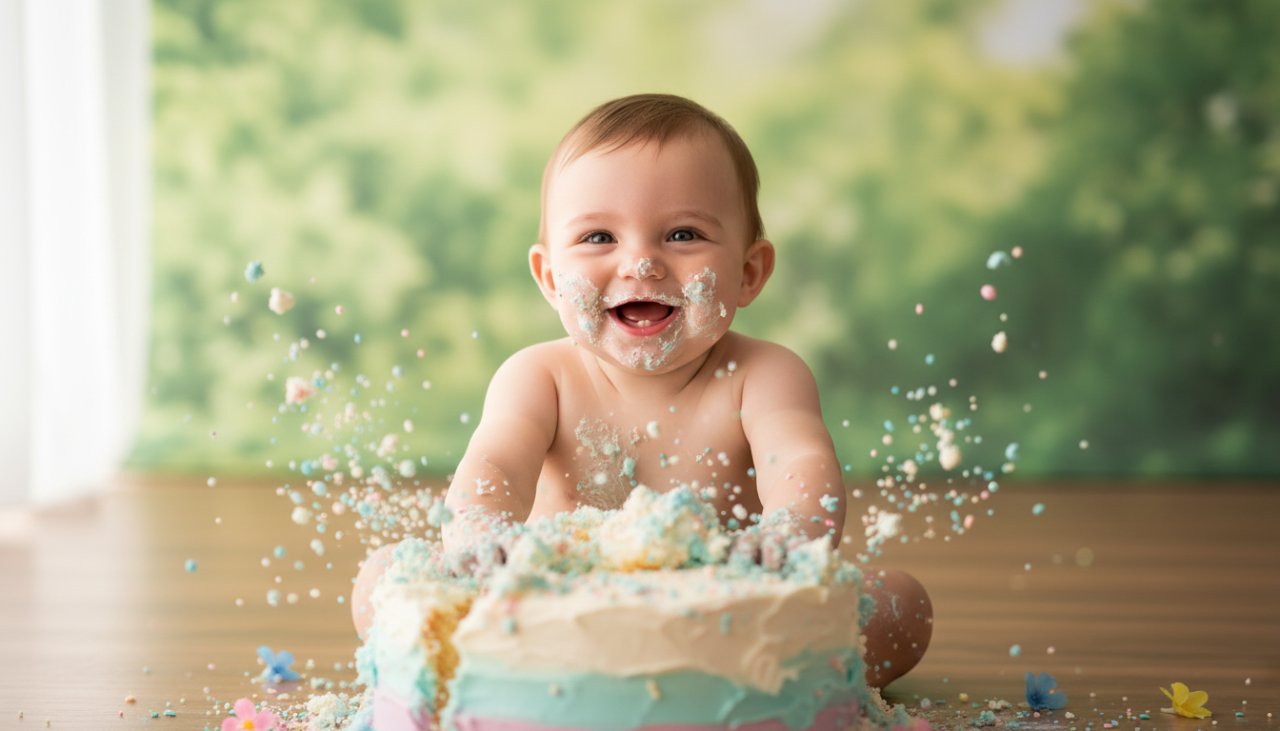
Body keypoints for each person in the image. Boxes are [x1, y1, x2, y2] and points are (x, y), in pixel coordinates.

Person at [351, 93, 931, 687]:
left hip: (723, 612)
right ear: (551, 279)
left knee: (902, 605)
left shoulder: (764, 375)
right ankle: (551, 682)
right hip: (553, 610)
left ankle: (695, 685)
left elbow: (801, 461)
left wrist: (787, 539)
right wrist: (482, 534)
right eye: (599, 238)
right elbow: (494, 462)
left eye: (682, 234)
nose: (642, 263)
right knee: (381, 580)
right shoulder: (539, 377)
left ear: (748, 272)